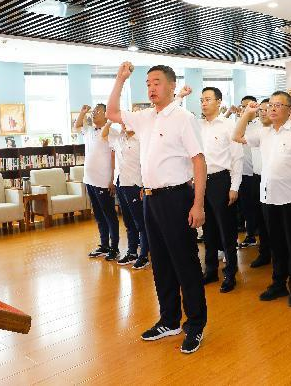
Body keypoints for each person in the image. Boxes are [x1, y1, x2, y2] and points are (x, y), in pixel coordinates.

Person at [106, 62, 207, 354]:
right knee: (161, 263)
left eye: (157, 82)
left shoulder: (184, 118)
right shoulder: (145, 117)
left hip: (177, 198)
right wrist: (120, 79)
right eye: (148, 83)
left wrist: (198, 204)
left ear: (172, 86)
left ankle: (195, 324)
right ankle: (169, 320)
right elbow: (112, 112)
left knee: (185, 263)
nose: (151, 88)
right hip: (150, 198)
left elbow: (199, 161)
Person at [233, 91, 291, 307]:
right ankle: (278, 284)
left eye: (278, 105)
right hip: (268, 198)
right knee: (276, 244)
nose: (273, 109)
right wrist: (246, 114)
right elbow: (237, 136)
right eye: (270, 105)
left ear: (289, 109)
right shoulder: (264, 132)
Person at [199, 86, 243, 293]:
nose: (204, 103)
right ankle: (210, 270)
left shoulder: (228, 125)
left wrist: (234, 187)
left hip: (221, 181)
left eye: (208, 99)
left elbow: (237, 158)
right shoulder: (198, 126)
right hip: (202, 182)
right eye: (202, 100)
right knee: (207, 230)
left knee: (226, 230)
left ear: (219, 102)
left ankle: (230, 272)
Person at [102, 119, 150, 269]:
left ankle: (144, 255)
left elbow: (147, 164)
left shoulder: (141, 140)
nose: (124, 125)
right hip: (121, 184)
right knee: (128, 222)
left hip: (135, 184)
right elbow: (103, 135)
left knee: (140, 223)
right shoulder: (119, 139)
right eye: (123, 122)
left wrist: (144, 185)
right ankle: (132, 252)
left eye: (128, 122)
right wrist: (110, 121)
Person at [74, 104, 119, 261]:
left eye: (98, 111)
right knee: (99, 215)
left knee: (109, 215)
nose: (94, 113)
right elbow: (77, 126)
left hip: (103, 181)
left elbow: (114, 157)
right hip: (89, 180)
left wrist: (113, 179)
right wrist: (83, 112)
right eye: (93, 111)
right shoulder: (89, 130)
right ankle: (104, 245)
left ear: (106, 115)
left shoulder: (111, 132)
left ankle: (114, 248)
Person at [249, 99, 273, 268]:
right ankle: (265, 253)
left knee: (275, 221)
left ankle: (281, 254)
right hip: (257, 178)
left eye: (267, 109)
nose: (263, 112)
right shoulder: (255, 130)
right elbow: (236, 136)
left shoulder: (278, 130)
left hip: (275, 180)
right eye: (261, 110)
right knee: (261, 220)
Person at [237, 95, 261, 248]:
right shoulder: (240, 125)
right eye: (243, 106)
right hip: (244, 173)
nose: (246, 109)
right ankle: (250, 235)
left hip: (259, 173)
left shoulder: (262, 124)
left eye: (249, 105)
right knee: (247, 207)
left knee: (260, 206)